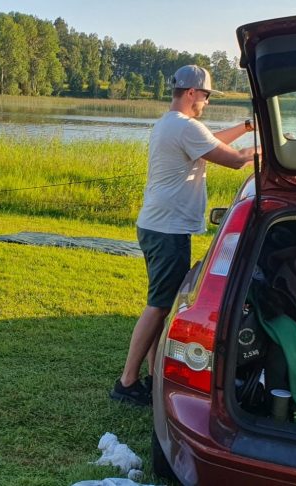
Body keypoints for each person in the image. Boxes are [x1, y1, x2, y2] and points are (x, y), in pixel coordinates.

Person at [109, 65, 258, 406]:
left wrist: (248, 126)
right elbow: (234, 161)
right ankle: (126, 382)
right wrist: (266, 153)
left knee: (161, 304)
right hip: (167, 230)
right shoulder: (184, 127)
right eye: (205, 96)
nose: (206, 102)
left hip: (158, 225)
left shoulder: (171, 124)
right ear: (192, 93)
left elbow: (210, 142)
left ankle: (151, 376)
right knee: (158, 306)